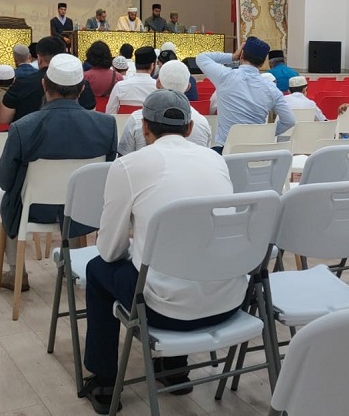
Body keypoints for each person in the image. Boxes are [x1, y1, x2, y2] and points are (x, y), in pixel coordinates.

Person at [81, 89, 240, 412]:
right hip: (229, 300)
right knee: (191, 255)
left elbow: (110, 251)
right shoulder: (215, 160)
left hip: (164, 311)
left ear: (144, 127)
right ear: (190, 128)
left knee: (97, 270)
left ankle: (106, 382)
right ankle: (174, 368)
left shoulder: (129, 166)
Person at [0, 54, 117, 291]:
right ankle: (73, 267)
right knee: (75, 197)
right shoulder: (106, 125)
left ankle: (16, 273)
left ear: (44, 85)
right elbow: (106, 175)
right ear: (82, 89)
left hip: (34, 210)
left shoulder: (23, 127)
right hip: (82, 212)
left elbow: (4, 179)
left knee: (6, 200)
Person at [196, 37, 295, 150]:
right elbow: (289, 121)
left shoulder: (225, 76)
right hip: (257, 151)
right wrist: (266, 133)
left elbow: (201, 58)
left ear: (241, 55)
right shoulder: (272, 89)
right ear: (262, 63)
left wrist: (233, 56)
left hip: (227, 150)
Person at [118, 60, 212, 154]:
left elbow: (123, 157)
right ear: (188, 87)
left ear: (158, 83)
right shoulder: (203, 124)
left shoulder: (136, 119)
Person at [0, 36, 96, 124]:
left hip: (29, 137)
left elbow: (3, 119)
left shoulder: (21, 84)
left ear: (39, 59)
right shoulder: (82, 84)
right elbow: (91, 119)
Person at [106, 47, 158, 114]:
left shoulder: (120, 86)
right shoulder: (158, 88)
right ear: (152, 65)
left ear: (135, 64)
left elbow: (110, 112)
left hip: (124, 120)